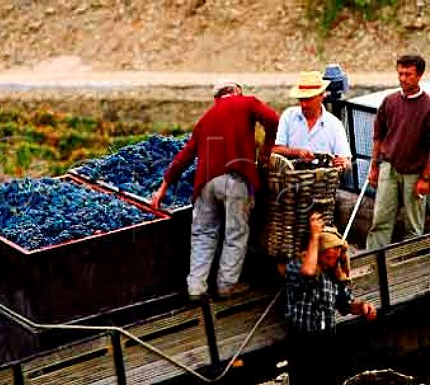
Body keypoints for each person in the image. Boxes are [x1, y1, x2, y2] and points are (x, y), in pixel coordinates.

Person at [151, 80, 279, 300]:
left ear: (216, 98)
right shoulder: (246, 102)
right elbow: (274, 119)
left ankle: (196, 288)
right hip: (236, 178)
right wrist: (267, 145)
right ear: (237, 91)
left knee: (203, 234)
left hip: (205, 184)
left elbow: (185, 156)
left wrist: (162, 189)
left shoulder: (205, 119)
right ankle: (226, 285)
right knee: (235, 233)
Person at [286, 212, 377, 385]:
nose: (334, 257)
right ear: (318, 251)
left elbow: (346, 304)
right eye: (329, 253)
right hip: (303, 342)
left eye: (336, 254)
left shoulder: (335, 275)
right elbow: (308, 273)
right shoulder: (297, 265)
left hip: (326, 340)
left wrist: (364, 307)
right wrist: (315, 236)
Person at [366, 54, 430, 250]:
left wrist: (426, 178)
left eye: (408, 74)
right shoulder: (389, 101)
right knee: (380, 219)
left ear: (419, 75)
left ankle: (410, 265)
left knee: (414, 225)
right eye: (400, 73)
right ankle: (374, 260)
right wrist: (374, 167)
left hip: (415, 172)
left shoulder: (428, 106)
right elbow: (378, 137)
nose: (402, 78)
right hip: (389, 167)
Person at [273, 71, 351, 169]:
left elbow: (346, 161)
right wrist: (297, 153)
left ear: (321, 96)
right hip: (291, 178)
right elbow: (275, 149)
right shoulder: (288, 116)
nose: (304, 104)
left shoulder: (335, 125)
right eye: (301, 99)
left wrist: (342, 163)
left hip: (324, 181)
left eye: (308, 99)